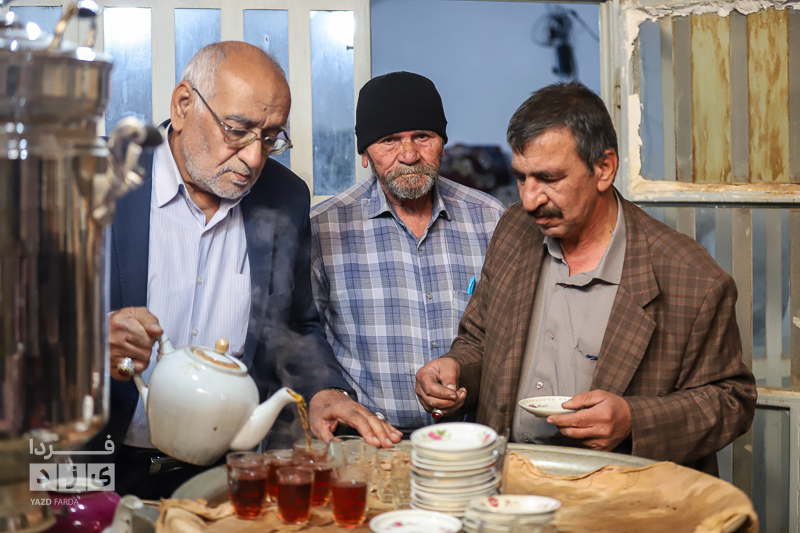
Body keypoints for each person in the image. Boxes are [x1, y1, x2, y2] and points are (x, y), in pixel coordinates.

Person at [84, 42, 400, 499]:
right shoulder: (91, 179)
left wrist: (325, 391)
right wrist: (90, 340)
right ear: (183, 105)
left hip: (227, 472)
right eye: (237, 131)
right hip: (95, 461)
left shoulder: (284, 196)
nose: (254, 159)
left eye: (270, 139)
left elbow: (296, 324)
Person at [415, 82, 756, 474]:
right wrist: (454, 368)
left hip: (618, 495)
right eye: (521, 178)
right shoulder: (514, 231)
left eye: (548, 178)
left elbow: (732, 399)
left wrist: (632, 420)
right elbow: (479, 340)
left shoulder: (691, 278)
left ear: (603, 169)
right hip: (508, 487)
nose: (529, 200)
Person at [310, 72, 505, 434]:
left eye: (422, 136)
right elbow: (305, 340)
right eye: (389, 140)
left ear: (442, 143)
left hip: (470, 439)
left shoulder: (490, 219)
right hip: (370, 441)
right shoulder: (324, 228)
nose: (410, 154)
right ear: (365, 154)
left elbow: (507, 336)